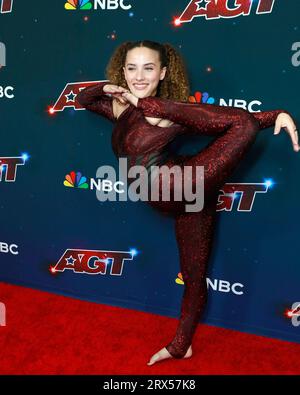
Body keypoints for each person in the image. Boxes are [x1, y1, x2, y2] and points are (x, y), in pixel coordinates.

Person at [76, 40, 299, 366]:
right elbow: (84, 99)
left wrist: (278, 115)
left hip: (184, 184)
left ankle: (183, 344)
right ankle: (181, 346)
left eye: (148, 68)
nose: (139, 76)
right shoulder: (119, 108)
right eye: (131, 67)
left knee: (244, 125)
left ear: (163, 72)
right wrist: (109, 88)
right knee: (193, 277)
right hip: (189, 202)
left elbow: (236, 120)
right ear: (122, 70)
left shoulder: (170, 111)